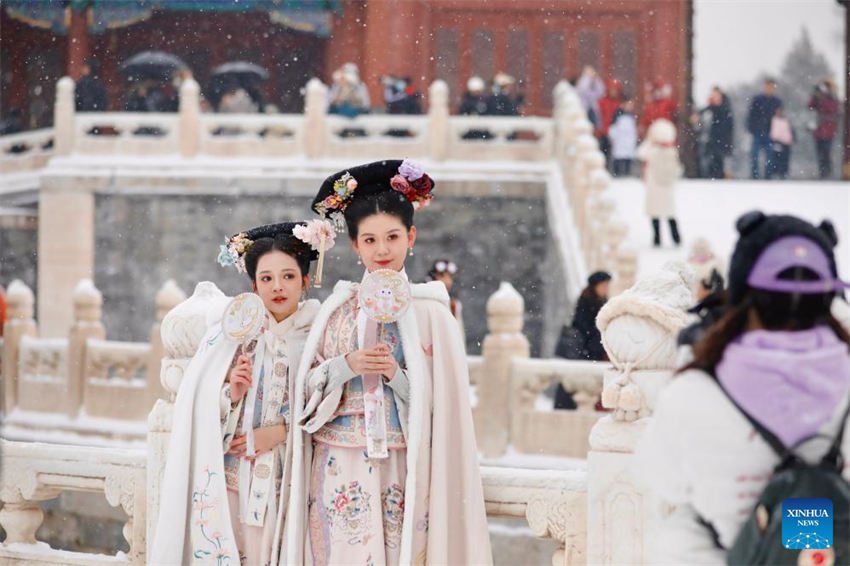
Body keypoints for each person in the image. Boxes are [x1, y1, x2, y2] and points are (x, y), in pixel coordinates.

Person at [285, 159, 492, 565]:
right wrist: (346, 366)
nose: (382, 250)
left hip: (401, 460)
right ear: (355, 245)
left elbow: (444, 406)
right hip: (336, 458)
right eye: (370, 240)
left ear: (411, 237)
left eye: (393, 236)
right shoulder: (337, 309)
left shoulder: (431, 312)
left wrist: (396, 375)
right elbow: (304, 390)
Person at [637, 210, 850, 563]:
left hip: (723, 553)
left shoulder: (695, 392)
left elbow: (662, 477)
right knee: (807, 516)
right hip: (824, 549)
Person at [151, 222, 322, 565]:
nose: (277, 287)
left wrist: (283, 431)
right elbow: (195, 405)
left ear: (305, 281)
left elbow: (332, 401)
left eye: (288, 277)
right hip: (233, 476)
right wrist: (230, 391)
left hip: (290, 477)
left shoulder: (318, 335)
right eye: (267, 278)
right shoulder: (233, 335)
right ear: (253, 286)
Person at [554, 271, 611, 409]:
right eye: (603, 285)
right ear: (595, 286)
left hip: (594, 352)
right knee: (576, 387)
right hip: (585, 352)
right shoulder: (586, 303)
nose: (606, 289)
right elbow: (584, 329)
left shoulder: (602, 303)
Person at [637, 118, 683, 247]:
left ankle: (657, 238)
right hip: (667, 188)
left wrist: (649, 141)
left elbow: (640, 153)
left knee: (655, 213)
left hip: (654, 187)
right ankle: (676, 238)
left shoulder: (652, 150)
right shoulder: (672, 151)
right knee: (670, 213)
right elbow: (678, 169)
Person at [746, 78, 782, 179]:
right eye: (768, 86)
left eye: (772, 87)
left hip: (770, 132)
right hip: (757, 131)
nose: (770, 89)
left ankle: (768, 176)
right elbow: (751, 115)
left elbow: (779, 117)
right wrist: (751, 128)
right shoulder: (757, 99)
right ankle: (755, 176)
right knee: (754, 156)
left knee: (770, 156)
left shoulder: (777, 101)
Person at [427, 259, 465, 347]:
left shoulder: (454, 305)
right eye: (442, 276)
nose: (448, 281)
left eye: (450, 277)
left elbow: (459, 335)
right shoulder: (423, 301)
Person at [699, 86, 734, 179]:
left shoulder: (725, 107)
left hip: (722, 139)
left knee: (720, 160)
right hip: (713, 138)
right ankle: (712, 176)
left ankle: (720, 177)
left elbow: (728, 125)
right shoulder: (712, 107)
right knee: (712, 159)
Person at [808, 78, 840, 179]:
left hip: (829, 131)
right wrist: (815, 95)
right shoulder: (818, 97)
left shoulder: (833, 98)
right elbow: (810, 106)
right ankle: (822, 173)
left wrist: (822, 98)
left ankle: (827, 173)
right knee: (820, 153)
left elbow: (832, 109)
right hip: (819, 131)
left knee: (826, 153)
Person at [596, 79, 624, 164]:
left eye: (615, 90)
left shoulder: (620, 102)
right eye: (612, 90)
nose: (614, 92)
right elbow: (598, 116)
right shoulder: (602, 102)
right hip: (603, 132)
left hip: (616, 133)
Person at [608, 98, 638, 176]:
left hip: (628, 140)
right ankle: (616, 173)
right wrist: (613, 138)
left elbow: (633, 129)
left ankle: (626, 173)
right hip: (619, 140)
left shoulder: (631, 116)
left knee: (627, 158)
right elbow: (613, 128)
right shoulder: (617, 115)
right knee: (618, 157)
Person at [767, 106, 794, 180]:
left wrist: (792, 138)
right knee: (776, 159)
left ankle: (784, 174)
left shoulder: (786, 120)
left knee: (785, 159)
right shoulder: (773, 120)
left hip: (786, 142)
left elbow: (790, 130)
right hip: (777, 141)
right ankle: (775, 173)